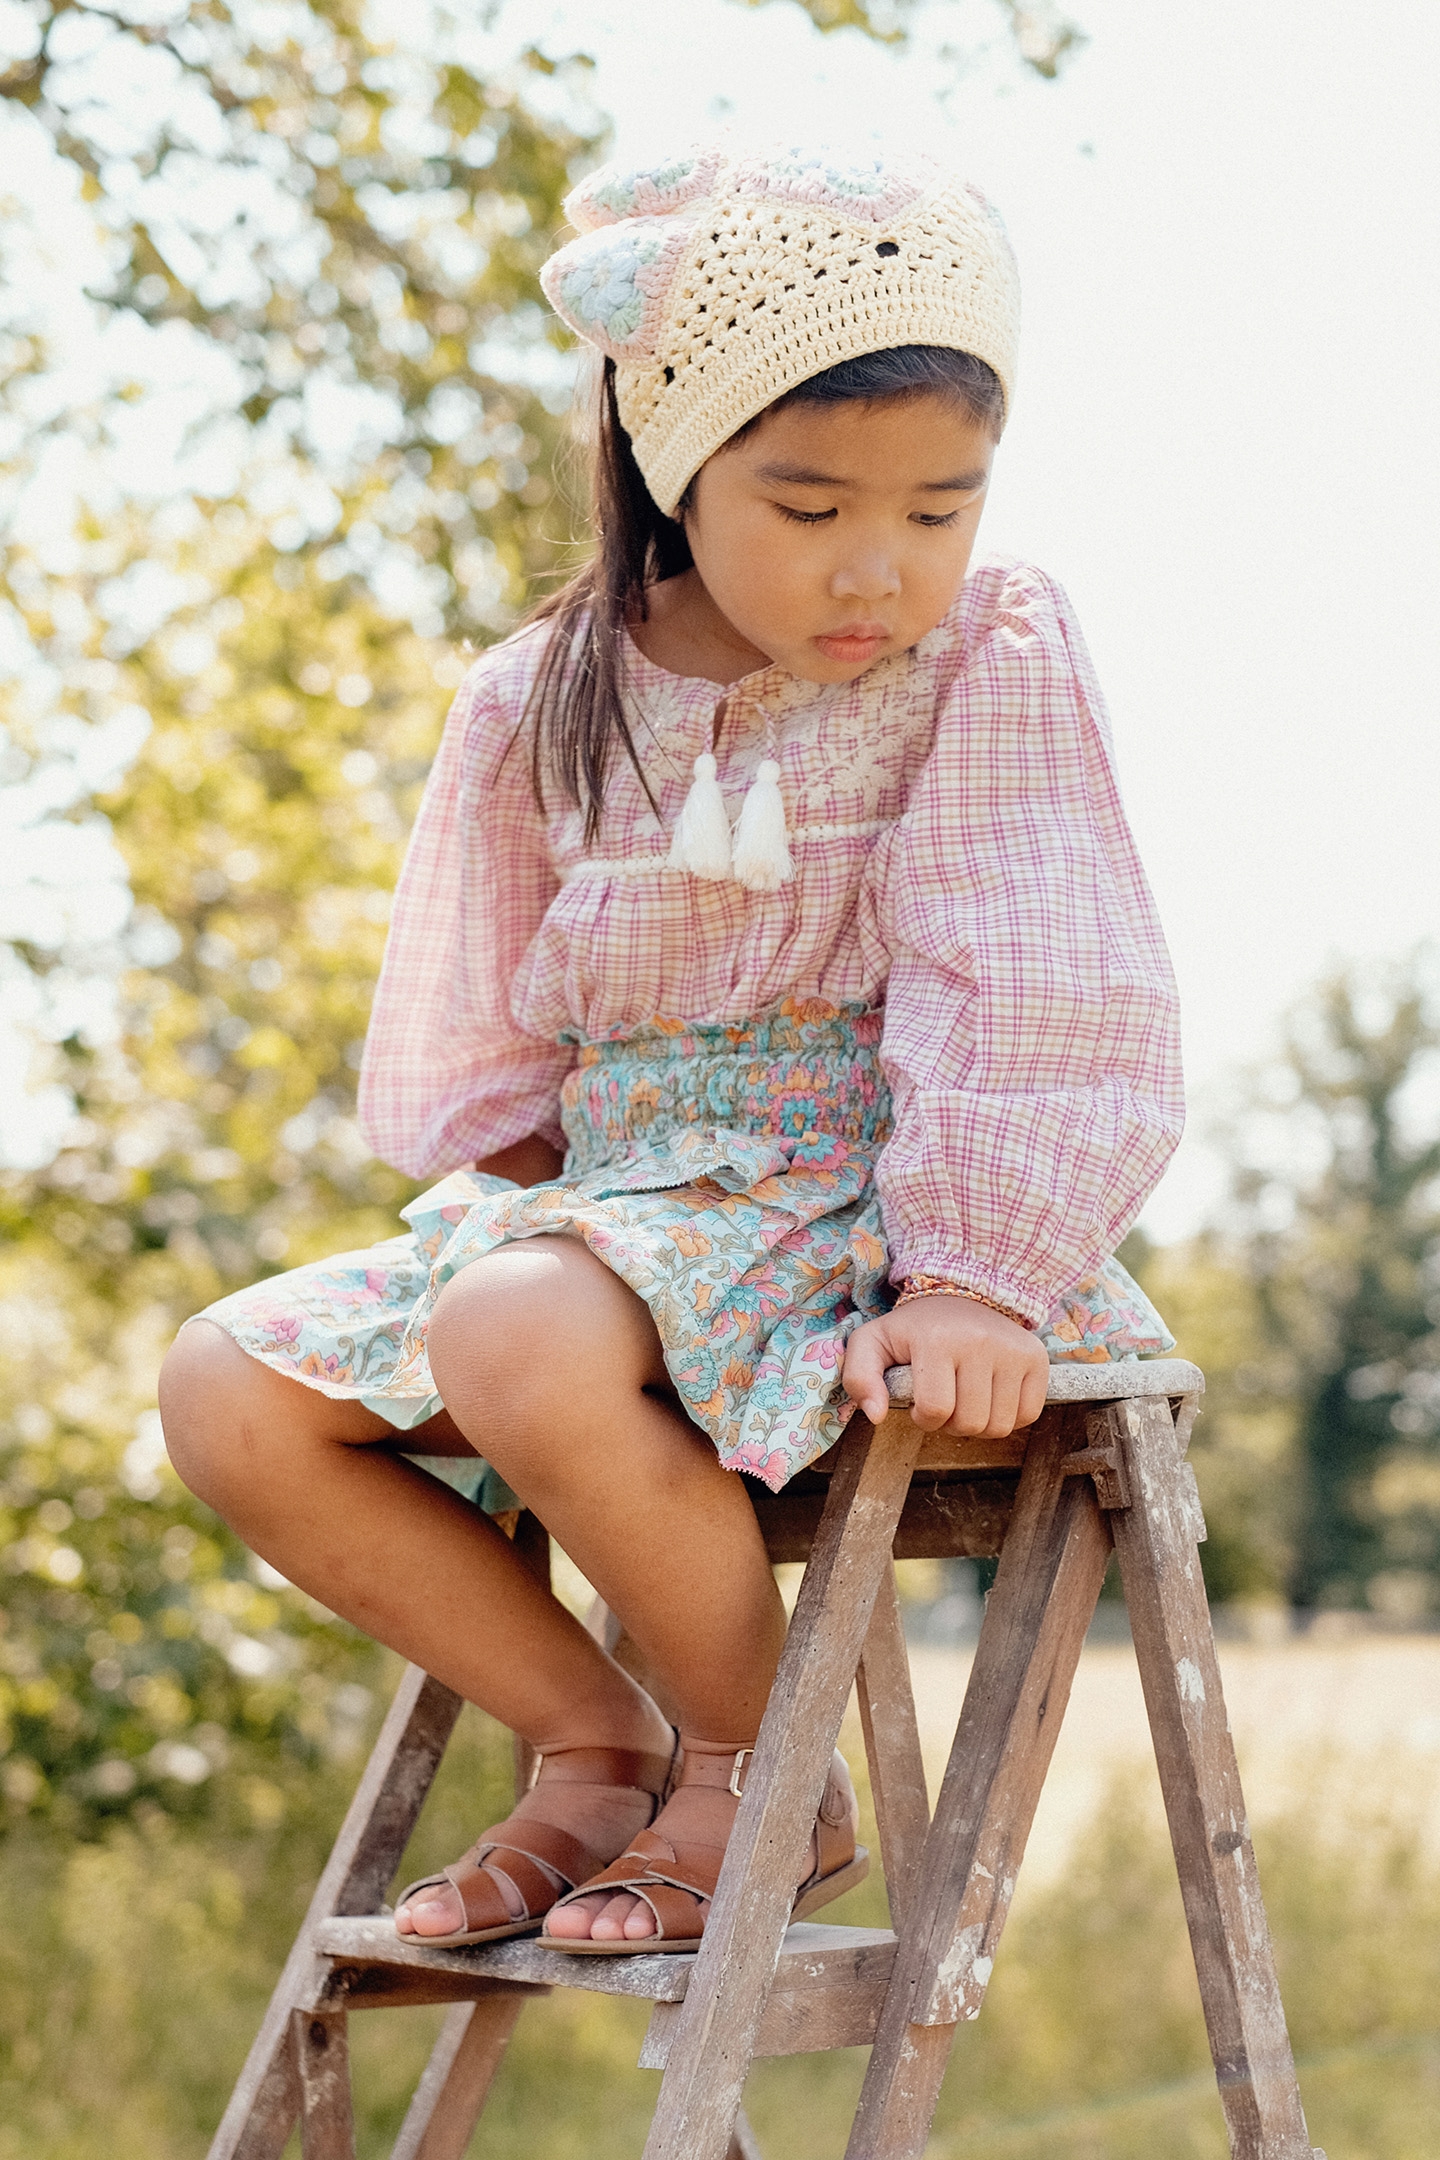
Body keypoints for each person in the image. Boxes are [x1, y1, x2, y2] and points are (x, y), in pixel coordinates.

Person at [159, 143, 1183, 1956]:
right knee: (226, 1388)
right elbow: (496, 1048)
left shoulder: (984, 655)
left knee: (512, 1325)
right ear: (670, 458)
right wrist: (546, 1208)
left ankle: (752, 1777)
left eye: (939, 509)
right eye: (807, 507)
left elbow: (1036, 954)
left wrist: (980, 1272)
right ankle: (591, 1740)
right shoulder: (538, 692)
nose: (880, 566)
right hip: (620, 1205)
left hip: (865, 1201)